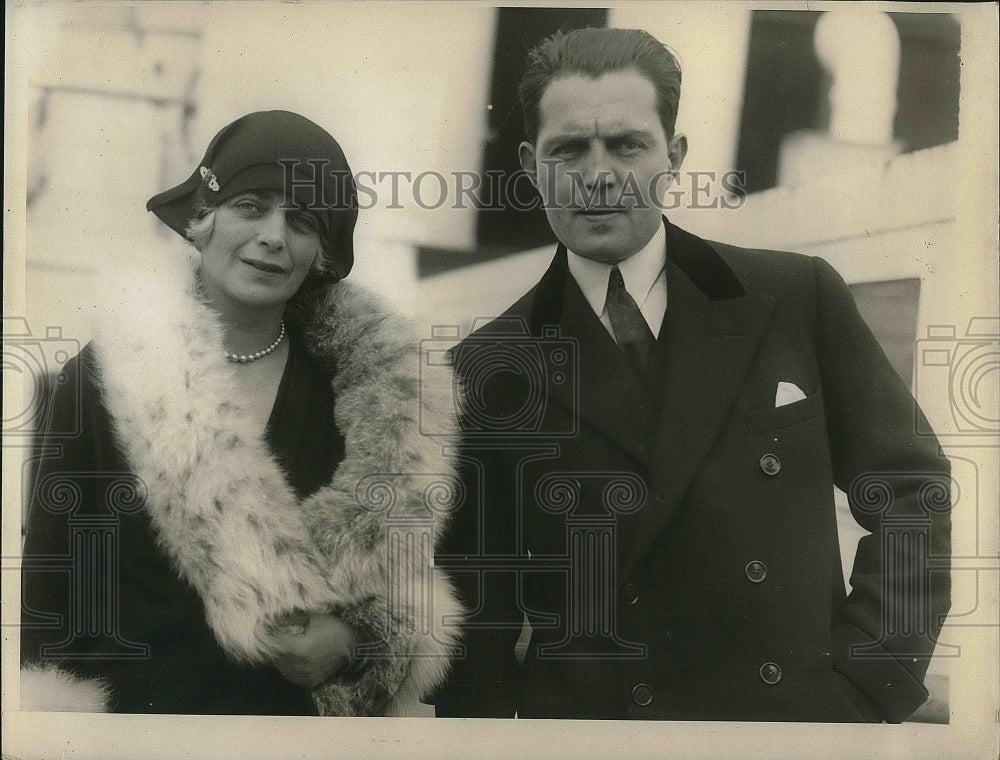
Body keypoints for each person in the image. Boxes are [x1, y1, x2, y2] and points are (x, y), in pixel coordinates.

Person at [434, 28, 951, 722]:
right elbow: (477, 621)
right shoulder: (490, 365)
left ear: (673, 155)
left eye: (627, 145)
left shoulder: (794, 297)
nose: (598, 175)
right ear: (530, 164)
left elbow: (911, 489)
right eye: (568, 149)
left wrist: (870, 681)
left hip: (787, 729)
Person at [20, 110, 461, 715]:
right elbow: (48, 598)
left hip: (299, 738)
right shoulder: (101, 379)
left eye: (302, 220)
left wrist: (356, 642)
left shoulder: (369, 398)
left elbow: (405, 585)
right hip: (137, 734)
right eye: (251, 205)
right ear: (201, 221)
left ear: (321, 253)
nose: (275, 236)